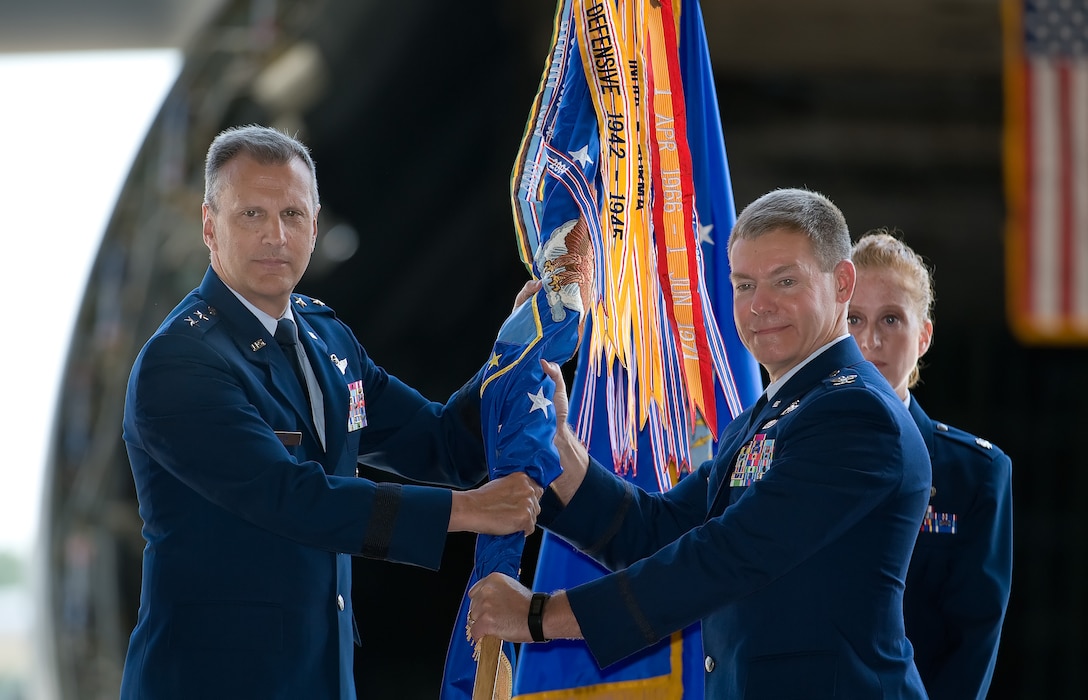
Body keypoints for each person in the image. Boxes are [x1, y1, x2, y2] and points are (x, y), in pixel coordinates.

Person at [119, 124, 544, 700]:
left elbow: (440, 443)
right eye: (251, 215)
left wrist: (515, 353)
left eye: (293, 215)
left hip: (320, 678)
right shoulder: (180, 364)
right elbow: (292, 498)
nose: (275, 235)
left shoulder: (327, 339)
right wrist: (468, 511)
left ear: (315, 227)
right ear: (208, 226)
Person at [466, 187, 933, 698]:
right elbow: (656, 531)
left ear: (843, 282)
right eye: (743, 284)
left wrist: (540, 616)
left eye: (785, 281)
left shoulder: (857, 414)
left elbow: (727, 556)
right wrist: (556, 441)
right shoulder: (770, 415)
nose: (760, 306)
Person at [848, 229, 1013, 700]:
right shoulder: (787, 449)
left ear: (923, 337)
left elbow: (972, 643)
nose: (870, 340)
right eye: (854, 319)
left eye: (892, 319)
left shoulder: (975, 474)